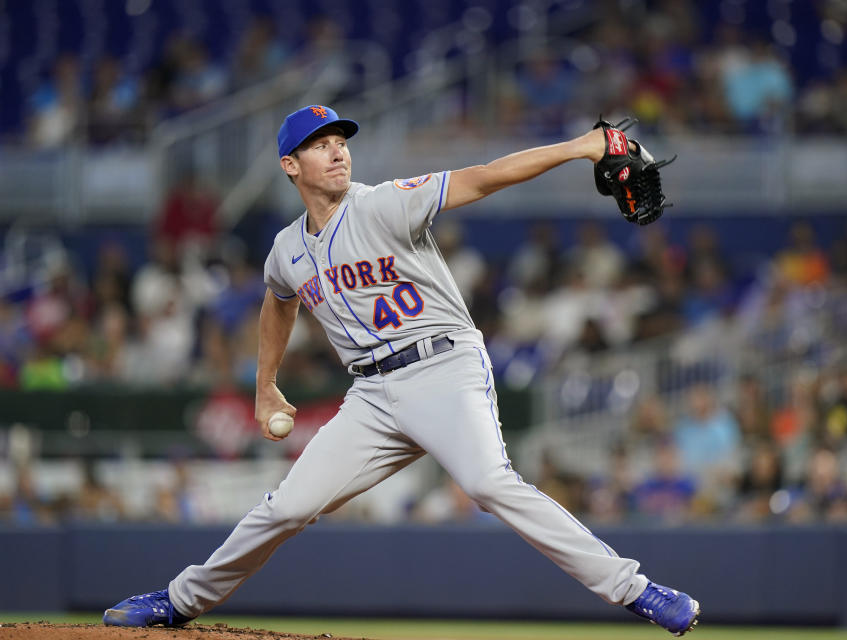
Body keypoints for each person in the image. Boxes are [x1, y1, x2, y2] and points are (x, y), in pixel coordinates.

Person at [102, 105, 700, 636]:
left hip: (443, 367)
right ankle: (179, 603)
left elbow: (483, 177)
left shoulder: (384, 203)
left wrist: (580, 147)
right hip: (371, 395)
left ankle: (636, 589)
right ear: (290, 165)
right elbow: (277, 301)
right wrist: (265, 387)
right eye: (320, 144)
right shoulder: (286, 248)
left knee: (491, 484)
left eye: (341, 140)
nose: (337, 150)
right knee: (285, 508)